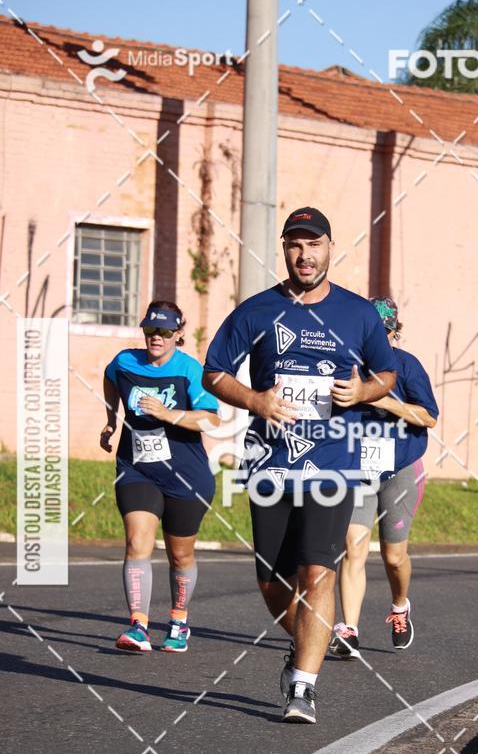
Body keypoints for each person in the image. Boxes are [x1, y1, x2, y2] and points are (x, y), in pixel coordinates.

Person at [202, 207, 396, 723]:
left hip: (333, 466)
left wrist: (364, 389)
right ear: (284, 250)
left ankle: (303, 688)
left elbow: (387, 374)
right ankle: (307, 642)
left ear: (331, 248)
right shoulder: (257, 311)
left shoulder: (359, 314)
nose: (304, 254)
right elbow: (214, 373)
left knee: (319, 572)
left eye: (313, 244)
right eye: (294, 244)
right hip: (270, 466)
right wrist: (256, 401)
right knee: (272, 583)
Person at [100, 300, 220, 653]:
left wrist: (169, 414)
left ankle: (179, 622)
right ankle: (138, 625)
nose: (156, 337)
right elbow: (109, 379)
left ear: (178, 334)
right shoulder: (125, 361)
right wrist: (110, 419)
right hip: (136, 468)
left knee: (180, 555)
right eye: (151, 330)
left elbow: (211, 419)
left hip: (186, 474)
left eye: (165, 332)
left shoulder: (189, 369)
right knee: (137, 541)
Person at [330, 296, 438, 658]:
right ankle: (349, 629)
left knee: (393, 557)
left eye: (386, 331)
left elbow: (429, 418)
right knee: (354, 546)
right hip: (358, 468)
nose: (380, 338)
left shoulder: (407, 367)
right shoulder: (348, 368)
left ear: (394, 332)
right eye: (372, 332)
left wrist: (383, 401)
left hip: (401, 467)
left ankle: (399, 604)